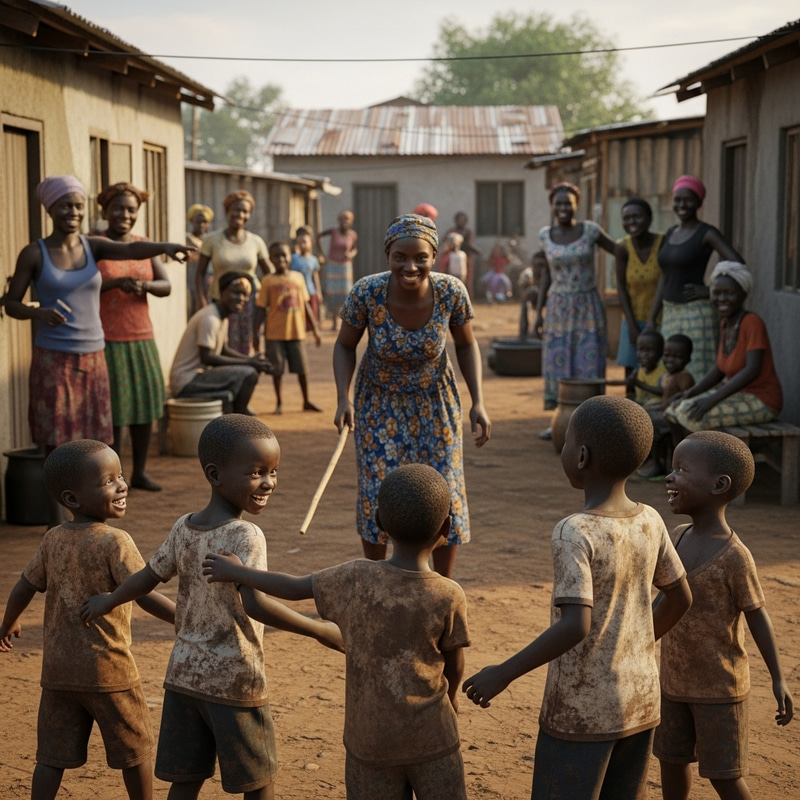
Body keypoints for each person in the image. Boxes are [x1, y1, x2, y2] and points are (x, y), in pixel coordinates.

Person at [80, 415, 343, 800]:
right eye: (256, 473)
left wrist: (110, 599)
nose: (268, 482)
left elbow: (147, 577)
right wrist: (320, 629)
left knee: (186, 780)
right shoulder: (245, 535)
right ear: (215, 474)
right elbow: (256, 605)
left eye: (273, 471)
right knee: (259, 780)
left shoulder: (184, 526)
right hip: (235, 680)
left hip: (184, 675)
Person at [462, 395, 691, 800]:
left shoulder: (575, 531)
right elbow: (679, 598)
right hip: (639, 701)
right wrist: (630, 643)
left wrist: (504, 672)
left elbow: (575, 625)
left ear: (582, 456)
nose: (564, 449)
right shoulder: (650, 519)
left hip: (580, 710)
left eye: (566, 442)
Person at [203, 463, 471, 800]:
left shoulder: (355, 577)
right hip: (433, 736)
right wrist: (452, 696)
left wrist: (238, 572)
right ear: (446, 526)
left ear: (379, 522)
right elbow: (454, 664)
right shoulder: (448, 595)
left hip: (369, 740)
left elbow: (293, 587)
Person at [3, 175, 193, 526]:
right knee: (56, 441)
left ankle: (89, 519)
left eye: (78, 206)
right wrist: (38, 313)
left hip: (95, 356)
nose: (72, 212)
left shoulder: (93, 246)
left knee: (95, 440)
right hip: (54, 359)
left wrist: (166, 246)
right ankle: (56, 523)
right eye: (64, 206)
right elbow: (11, 303)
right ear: (50, 209)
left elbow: (132, 250)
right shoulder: (35, 253)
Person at [0, 440, 175, 800]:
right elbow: (142, 593)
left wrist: (8, 622)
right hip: (109, 671)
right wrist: (184, 618)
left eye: (120, 476)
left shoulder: (53, 539)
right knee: (134, 752)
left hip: (58, 672)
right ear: (72, 498)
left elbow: (25, 585)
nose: (121, 485)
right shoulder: (115, 541)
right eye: (108, 481)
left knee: (51, 757)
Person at [333, 213, 491, 579]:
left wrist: (478, 401)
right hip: (378, 402)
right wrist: (343, 397)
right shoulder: (367, 292)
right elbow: (344, 346)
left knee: (443, 488)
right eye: (400, 257)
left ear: (434, 256)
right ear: (387, 256)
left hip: (435, 401)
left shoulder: (450, 291)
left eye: (421, 257)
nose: (410, 266)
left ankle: (441, 584)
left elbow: (466, 345)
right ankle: (377, 580)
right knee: (378, 489)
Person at [656, 431, 794, 800]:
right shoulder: (676, 537)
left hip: (719, 689)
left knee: (724, 775)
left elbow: (758, 616)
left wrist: (778, 678)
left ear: (719, 485)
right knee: (671, 761)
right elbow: (663, 602)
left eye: (682, 470)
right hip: (672, 683)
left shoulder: (735, 556)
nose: (670, 477)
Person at [95, 182, 171, 492]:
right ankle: (114, 475)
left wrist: (145, 286)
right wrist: (116, 283)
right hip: (107, 338)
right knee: (115, 410)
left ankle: (139, 472)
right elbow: (83, 286)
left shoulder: (145, 245)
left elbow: (166, 285)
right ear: (105, 211)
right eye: (118, 209)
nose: (124, 215)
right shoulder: (95, 244)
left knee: (144, 407)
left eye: (131, 210)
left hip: (142, 336)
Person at [665, 262, 782, 442]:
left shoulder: (752, 322)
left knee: (690, 415)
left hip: (762, 400)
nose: (722, 299)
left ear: (743, 294)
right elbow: (719, 369)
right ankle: (679, 459)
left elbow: (752, 370)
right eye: (716, 293)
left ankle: (701, 460)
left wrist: (712, 399)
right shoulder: (726, 324)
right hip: (737, 395)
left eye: (729, 293)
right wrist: (691, 392)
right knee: (672, 409)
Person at [534, 182, 617, 433]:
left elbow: (620, 252)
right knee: (559, 363)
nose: (563, 208)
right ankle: (562, 423)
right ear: (552, 205)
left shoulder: (590, 230)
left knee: (587, 362)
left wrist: (623, 284)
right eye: (558, 203)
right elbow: (546, 275)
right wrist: (538, 312)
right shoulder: (545, 235)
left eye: (568, 204)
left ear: (576, 205)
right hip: (558, 308)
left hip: (587, 306)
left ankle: (591, 424)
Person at [647, 176, 744, 382]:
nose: (682, 205)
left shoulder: (706, 233)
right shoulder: (671, 233)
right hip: (670, 313)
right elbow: (665, 276)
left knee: (697, 370)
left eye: (688, 200)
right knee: (671, 372)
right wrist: (652, 318)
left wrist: (710, 290)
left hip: (696, 314)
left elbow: (738, 264)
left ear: (699, 203)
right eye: (677, 200)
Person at [170, 271, 273, 415]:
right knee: (249, 374)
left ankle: (236, 415)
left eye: (245, 295)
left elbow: (223, 349)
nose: (241, 299)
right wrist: (249, 363)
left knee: (247, 372)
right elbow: (207, 357)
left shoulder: (221, 316)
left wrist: (251, 360)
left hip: (197, 376)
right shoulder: (210, 319)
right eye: (235, 293)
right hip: (187, 381)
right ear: (222, 292)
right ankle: (238, 418)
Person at [195, 190, 270, 353]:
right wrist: (201, 300)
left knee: (248, 344)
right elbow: (200, 273)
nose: (240, 215)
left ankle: (246, 368)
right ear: (227, 211)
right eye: (236, 210)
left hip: (249, 303)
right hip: (220, 301)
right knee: (221, 344)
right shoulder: (211, 240)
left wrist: (266, 300)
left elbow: (269, 274)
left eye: (245, 211)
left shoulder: (256, 242)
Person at [254, 241, 322, 415]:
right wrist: (255, 333)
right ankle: (279, 402)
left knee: (302, 368)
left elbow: (305, 304)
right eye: (276, 256)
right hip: (274, 333)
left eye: (284, 255)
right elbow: (261, 308)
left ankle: (306, 400)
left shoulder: (298, 278)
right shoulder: (267, 281)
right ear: (271, 259)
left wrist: (315, 329)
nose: (281, 259)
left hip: (296, 331)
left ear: (290, 257)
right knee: (276, 370)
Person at [614, 198, 664, 380]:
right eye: (626, 218)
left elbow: (665, 281)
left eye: (637, 217)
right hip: (632, 319)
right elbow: (621, 286)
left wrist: (651, 321)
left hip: (660, 319)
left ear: (649, 219)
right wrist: (631, 324)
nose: (631, 222)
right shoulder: (623, 247)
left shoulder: (662, 242)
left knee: (658, 371)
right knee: (632, 373)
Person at [317, 210, 358, 331]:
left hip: (345, 267)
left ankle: (342, 321)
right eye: (342, 218)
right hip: (332, 266)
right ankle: (334, 321)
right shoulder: (333, 231)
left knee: (345, 294)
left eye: (347, 219)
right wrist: (321, 254)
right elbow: (318, 236)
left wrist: (351, 254)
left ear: (351, 221)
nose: (345, 221)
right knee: (333, 294)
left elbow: (355, 249)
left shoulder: (352, 235)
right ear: (339, 220)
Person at [443, 212, 481, 297]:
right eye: (460, 220)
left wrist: (476, 251)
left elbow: (469, 244)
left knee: (467, 279)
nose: (461, 222)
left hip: (465, 257)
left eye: (463, 220)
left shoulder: (468, 232)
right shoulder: (451, 232)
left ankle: (467, 297)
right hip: (452, 259)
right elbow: (445, 242)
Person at [626, 329, 667, 406]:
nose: (644, 354)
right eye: (640, 350)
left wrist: (638, 383)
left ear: (660, 352)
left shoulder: (664, 371)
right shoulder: (639, 370)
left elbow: (662, 392)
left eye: (649, 350)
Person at [290, 229, 323, 326]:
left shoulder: (313, 260)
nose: (302, 245)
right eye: (300, 242)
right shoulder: (293, 258)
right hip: (296, 292)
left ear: (311, 243)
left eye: (304, 242)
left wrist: (318, 292)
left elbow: (316, 277)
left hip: (310, 291)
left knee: (311, 318)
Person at [186, 203, 214, 316]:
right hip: (191, 280)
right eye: (198, 222)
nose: (201, 225)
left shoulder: (211, 240)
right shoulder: (187, 239)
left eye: (205, 222)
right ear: (191, 221)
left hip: (209, 280)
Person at [518, 250, 545, 338]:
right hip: (536, 298)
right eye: (535, 266)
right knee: (529, 294)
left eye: (541, 266)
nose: (538, 269)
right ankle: (523, 334)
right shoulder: (528, 275)